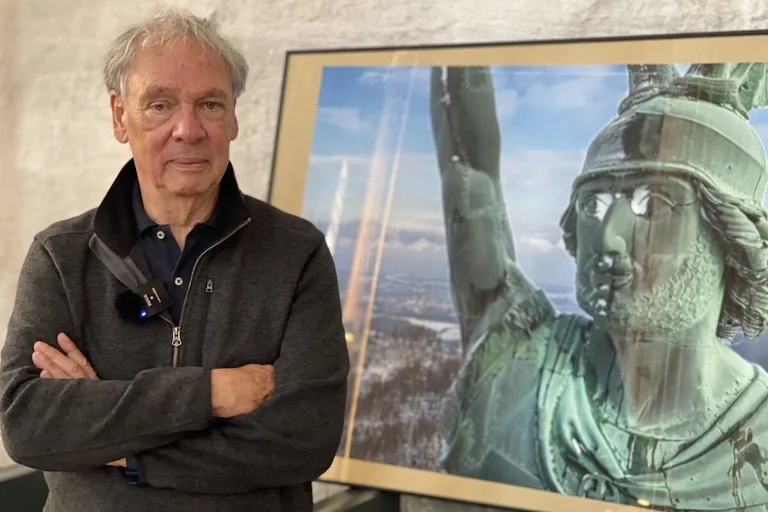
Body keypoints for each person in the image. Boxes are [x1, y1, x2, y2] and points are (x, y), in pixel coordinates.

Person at [0, 7, 349, 512]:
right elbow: (27, 425)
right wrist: (209, 393)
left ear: (232, 117)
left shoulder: (297, 254)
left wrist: (120, 450)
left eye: (209, 104)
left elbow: (303, 440)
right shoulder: (60, 255)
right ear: (121, 116)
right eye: (160, 105)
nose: (188, 129)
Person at [429, 63, 768, 510]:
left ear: (732, 240)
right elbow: (470, 173)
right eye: (595, 203)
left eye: (655, 203)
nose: (608, 237)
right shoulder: (517, 359)